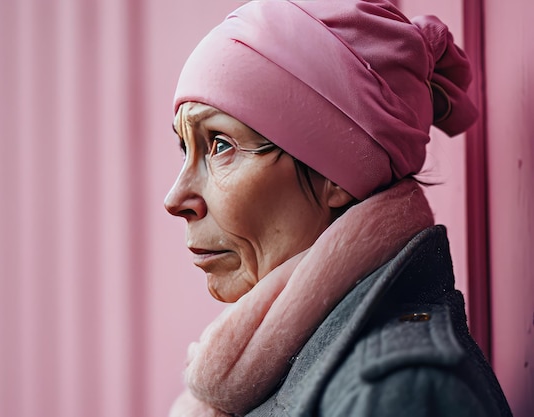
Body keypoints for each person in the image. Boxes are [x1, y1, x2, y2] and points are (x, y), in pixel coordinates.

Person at [164, 1, 512, 416]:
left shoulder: (397, 393)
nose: (175, 199)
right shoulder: (285, 366)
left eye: (220, 144)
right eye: (185, 148)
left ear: (336, 173)